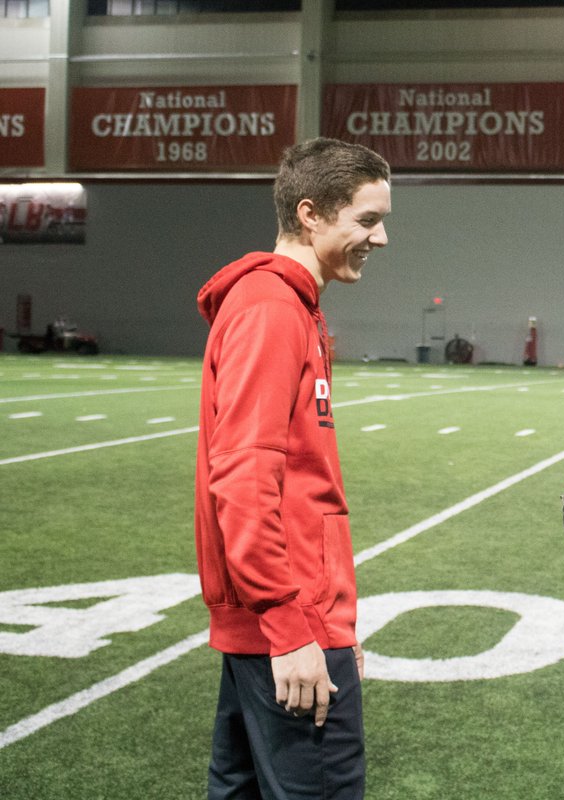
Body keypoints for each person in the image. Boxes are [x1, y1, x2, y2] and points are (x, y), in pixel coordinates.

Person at [194, 137, 391, 800]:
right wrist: (295, 627)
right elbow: (245, 479)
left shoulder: (291, 307)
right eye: (366, 220)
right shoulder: (273, 309)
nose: (381, 237)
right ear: (311, 214)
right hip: (289, 624)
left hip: (292, 621)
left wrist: (333, 626)